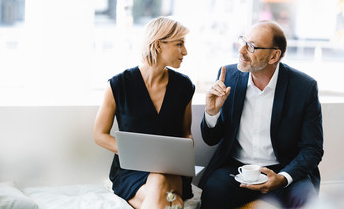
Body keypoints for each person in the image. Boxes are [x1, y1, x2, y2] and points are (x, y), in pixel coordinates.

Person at [199, 21, 324, 208]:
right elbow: (211, 139)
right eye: (243, 41)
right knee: (212, 193)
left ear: (274, 56)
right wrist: (212, 111)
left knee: (306, 201)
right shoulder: (228, 75)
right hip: (235, 169)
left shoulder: (303, 87)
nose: (241, 51)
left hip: (283, 169)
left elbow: (312, 148)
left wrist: (283, 178)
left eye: (251, 47)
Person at [93, 16, 195, 209]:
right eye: (179, 44)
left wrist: (185, 149)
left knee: (159, 179)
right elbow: (99, 135)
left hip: (172, 171)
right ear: (158, 45)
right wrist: (139, 154)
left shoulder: (184, 86)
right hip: (131, 170)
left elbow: (185, 133)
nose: (185, 52)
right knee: (168, 199)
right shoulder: (118, 85)